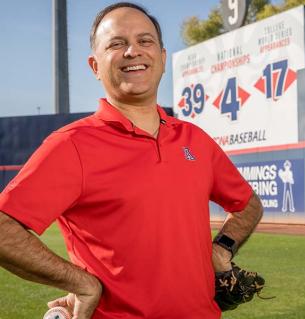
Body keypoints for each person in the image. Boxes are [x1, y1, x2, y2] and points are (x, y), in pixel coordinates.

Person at [0, 2, 263, 319]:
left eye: (145, 41)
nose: (132, 51)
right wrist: (82, 283)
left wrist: (220, 249)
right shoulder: (71, 145)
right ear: (95, 66)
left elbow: (248, 205)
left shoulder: (195, 140)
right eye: (116, 43)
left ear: (163, 59)